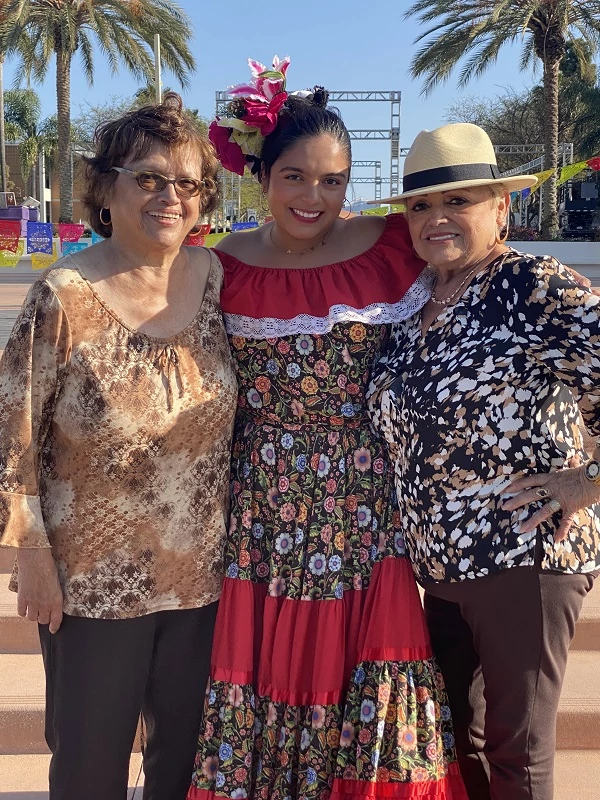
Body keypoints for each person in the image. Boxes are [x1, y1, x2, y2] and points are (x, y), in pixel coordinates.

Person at [188, 57, 467, 800]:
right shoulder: (218, 267)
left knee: (374, 655)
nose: (315, 196)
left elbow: (476, 273)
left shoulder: (392, 248)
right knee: (267, 662)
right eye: (297, 177)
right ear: (262, 174)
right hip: (262, 507)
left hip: (368, 505)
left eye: (334, 180)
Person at [0, 94, 238, 800]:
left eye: (187, 182)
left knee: (187, 763)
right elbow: (12, 432)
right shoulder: (64, 294)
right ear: (106, 189)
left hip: (202, 575)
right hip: (92, 583)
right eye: (149, 178)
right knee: (87, 766)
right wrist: (30, 556)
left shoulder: (219, 281)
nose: (170, 196)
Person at [366, 122, 600, 800]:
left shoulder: (533, 287)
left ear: (501, 208)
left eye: (459, 201)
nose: (437, 218)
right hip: (441, 571)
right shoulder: (416, 306)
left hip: (523, 562)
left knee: (517, 754)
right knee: (452, 739)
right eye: (421, 206)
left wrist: (583, 482)